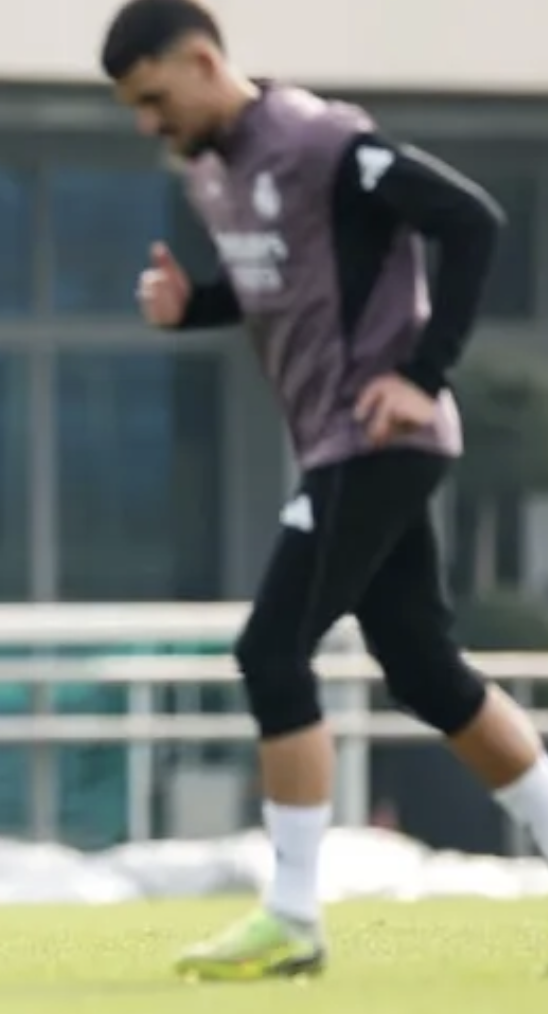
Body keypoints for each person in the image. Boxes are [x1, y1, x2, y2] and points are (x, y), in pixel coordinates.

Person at [99, 0, 548, 982]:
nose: (146, 122)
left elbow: (471, 221)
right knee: (424, 672)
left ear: (203, 61)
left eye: (153, 98)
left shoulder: (318, 140)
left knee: (270, 650)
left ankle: (293, 915)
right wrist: (193, 307)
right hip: (339, 449)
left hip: (378, 440)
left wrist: (422, 374)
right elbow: (287, 283)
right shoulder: (212, 169)